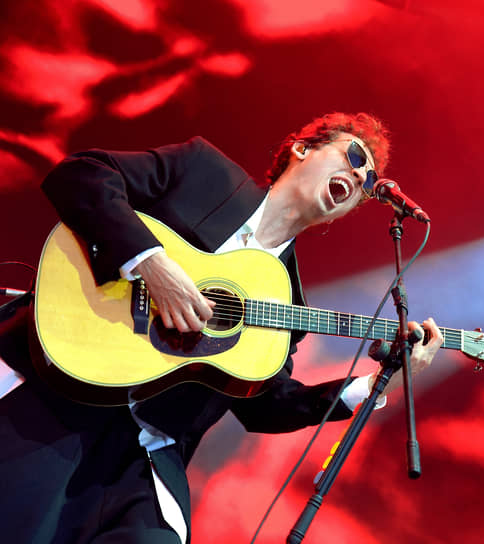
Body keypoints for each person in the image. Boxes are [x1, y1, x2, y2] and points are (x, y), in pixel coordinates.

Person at [0, 112, 443, 543]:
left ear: (336, 217)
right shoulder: (203, 172)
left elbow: (265, 408)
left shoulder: (289, 302)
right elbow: (82, 175)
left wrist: (379, 383)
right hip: (60, 390)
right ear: (301, 149)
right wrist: (151, 264)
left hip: (143, 454)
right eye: (354, 156)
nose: (361, 175)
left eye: (367, 182)